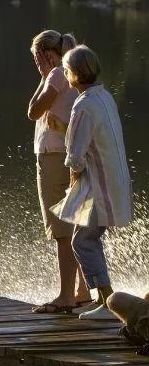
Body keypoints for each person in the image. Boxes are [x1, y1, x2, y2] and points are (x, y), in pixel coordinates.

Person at [52, 45, 133, 320]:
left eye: (66, 70)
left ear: (74, 74)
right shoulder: (104, 97)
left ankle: (107, 303)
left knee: (83, 241)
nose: (65, 74)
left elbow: (74, 155)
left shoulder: (83, 104)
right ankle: (105, 299)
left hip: (100, 186)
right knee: (86, 239)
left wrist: (74, 186)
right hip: (115, 181)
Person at [26, 30, 89, 314]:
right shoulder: (73, 72)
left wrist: (43, 75)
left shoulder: (53, 76)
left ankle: (66, 295)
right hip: (71, 156)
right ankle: (82, 290)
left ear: (43, 55)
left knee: (61, 229)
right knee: (77, 223)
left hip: (52, 158)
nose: (36, 63)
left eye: (36, 57)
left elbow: (32, 111)